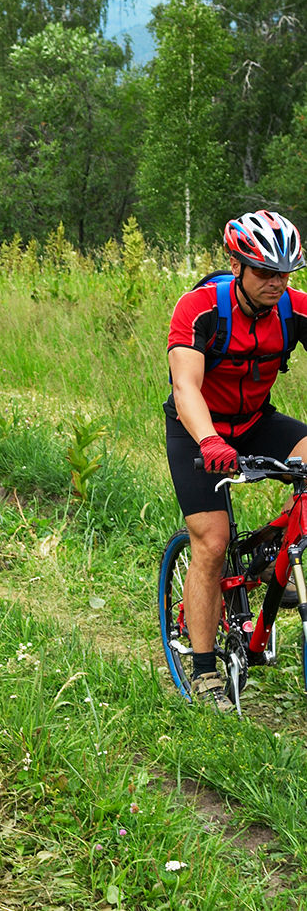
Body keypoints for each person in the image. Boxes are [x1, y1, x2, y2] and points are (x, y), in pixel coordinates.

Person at [165, 210, 307, 712]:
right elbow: (186, 388)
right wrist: (209, 442)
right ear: (238, 265)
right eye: (265, 272)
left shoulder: (294, 309)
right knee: (212, 541)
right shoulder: (201, 308)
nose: (276, 283)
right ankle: (203, 670)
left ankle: (275, 564)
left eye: (284, 274)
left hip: (256, 420)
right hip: (196, 430)